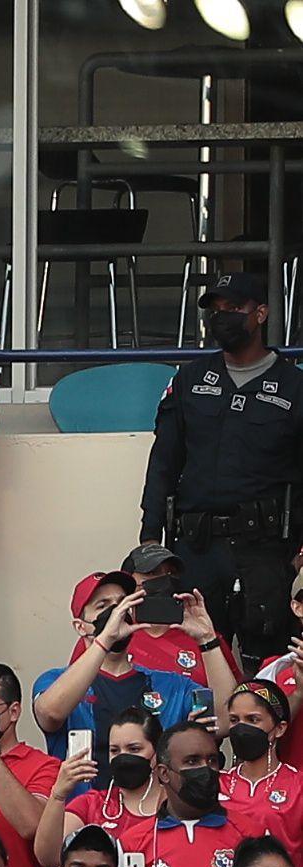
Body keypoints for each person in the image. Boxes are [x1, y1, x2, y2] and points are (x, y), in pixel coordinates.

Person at [145, 274, 303, 655]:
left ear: (261, 313)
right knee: (192, 660)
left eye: (233, 309)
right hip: (194, 548)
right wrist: (150, 540)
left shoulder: (293, 387)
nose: (222, 318)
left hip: (265, 550)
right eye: (215, 311)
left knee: (264, 666)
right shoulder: (191, 379)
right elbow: (164, 462)